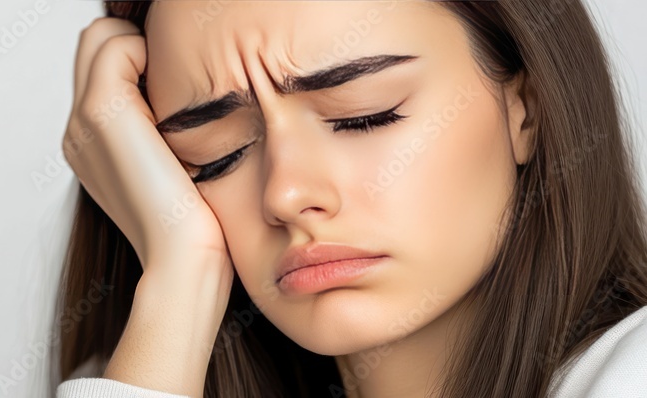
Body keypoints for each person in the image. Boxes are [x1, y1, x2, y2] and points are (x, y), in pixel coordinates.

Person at [51, 1, 647, 397]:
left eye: (364, 116)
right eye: (217, 155)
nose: (286, 194)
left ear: (527, 109)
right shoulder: (140, 378)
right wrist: (178, 278)